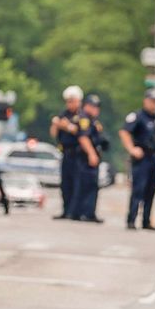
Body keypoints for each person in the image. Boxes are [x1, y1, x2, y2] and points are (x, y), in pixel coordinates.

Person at [120, 89, 155, 230]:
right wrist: (132, 149)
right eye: (151, 101)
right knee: (138, 189)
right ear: (145, 101)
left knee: (151, 190)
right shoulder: (138, 116)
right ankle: (131, 219)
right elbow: (124, 132)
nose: (153, 104)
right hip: (142, 158)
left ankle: (146, 221)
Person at [67, 93, 105, 222]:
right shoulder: (84, 119)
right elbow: (83, 137)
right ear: (87, 106)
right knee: (83, 185)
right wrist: (91, 154)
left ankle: (89, 212)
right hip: (84, 158)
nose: (96, 109)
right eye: (93, 106)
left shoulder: (94, 121)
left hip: (91, 156)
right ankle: (80, 212)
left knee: (92, 186)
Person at [50, 86, 83, 219]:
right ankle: (66, 209)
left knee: (76, 183)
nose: (69, 104)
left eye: (72, 101)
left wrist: (66, 126)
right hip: (66, 153)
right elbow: (53, 133)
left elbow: (78, 131)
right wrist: (55, 124)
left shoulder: (82, 115)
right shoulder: (63, 114)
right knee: (66, 184)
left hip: (78, 153)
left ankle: (74, 211)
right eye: (68, 101)